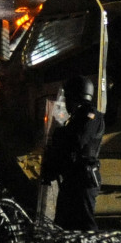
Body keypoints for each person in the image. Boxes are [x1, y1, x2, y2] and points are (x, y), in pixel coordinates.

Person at [40, 76, 104, 231]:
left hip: (83, 182)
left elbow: (76, 141)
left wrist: (60, 134)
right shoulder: (75, 118)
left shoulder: (91, 116)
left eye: (68, 98)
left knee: (85, 226)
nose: (66, 103)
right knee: (63, 226)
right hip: (71, 181)